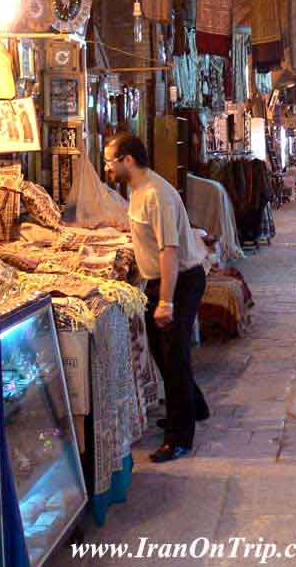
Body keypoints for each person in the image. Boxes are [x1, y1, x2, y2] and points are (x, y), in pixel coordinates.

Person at [104, 132, 210, 463]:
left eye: (110, 161)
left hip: (179, 279)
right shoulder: (137, 190)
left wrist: (166, 302)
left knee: (173, 356)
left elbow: (169, 251)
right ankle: (194, 407)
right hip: (160, 280)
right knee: (164, 355)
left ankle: (179, 438)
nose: (107, 167)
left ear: (128, 160)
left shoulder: (156, 195)